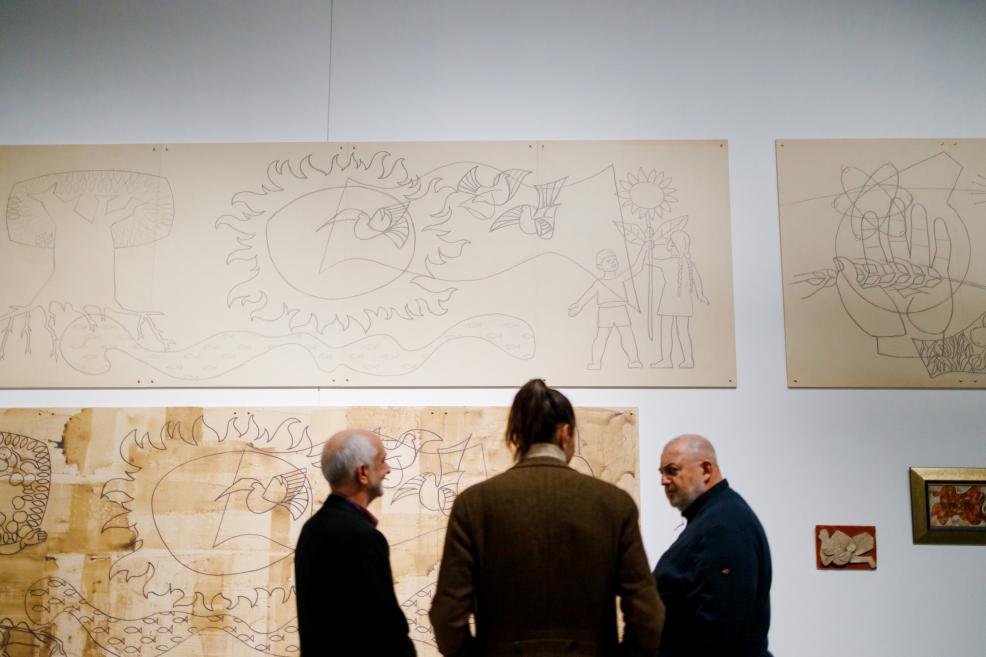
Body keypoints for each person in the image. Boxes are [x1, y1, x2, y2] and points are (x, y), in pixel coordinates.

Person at [430, 379, 664, 656]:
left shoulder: (473, 505)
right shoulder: (614, 504)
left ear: (515, 436)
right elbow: (647, 615)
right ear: (565, 434)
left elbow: (447, 616)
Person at [294, 429, 416, 656]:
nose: (387, 469)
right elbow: (386, 628)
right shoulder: (364, 537)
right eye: (382, 461)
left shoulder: (311, 530)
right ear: (363, 473)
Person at [652, 434, 772, 657]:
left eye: (672, 470)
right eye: (661, 473)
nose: (664, 481)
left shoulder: (724, 525)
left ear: (706, 470)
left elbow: (723, 626)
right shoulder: (713, 519)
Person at [568, 246, 649, 370]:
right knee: (601, 338)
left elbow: (637, 267)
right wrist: (579, 305)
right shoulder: (599, 282)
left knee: (627, 335)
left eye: (614, 260)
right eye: (608, 261)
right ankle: (596, 362)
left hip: (620, 309)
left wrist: (645, 249)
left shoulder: (621, 277)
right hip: (605, 312)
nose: (613, 262)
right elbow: (589, 294)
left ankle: (634, 360)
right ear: (600, 265)